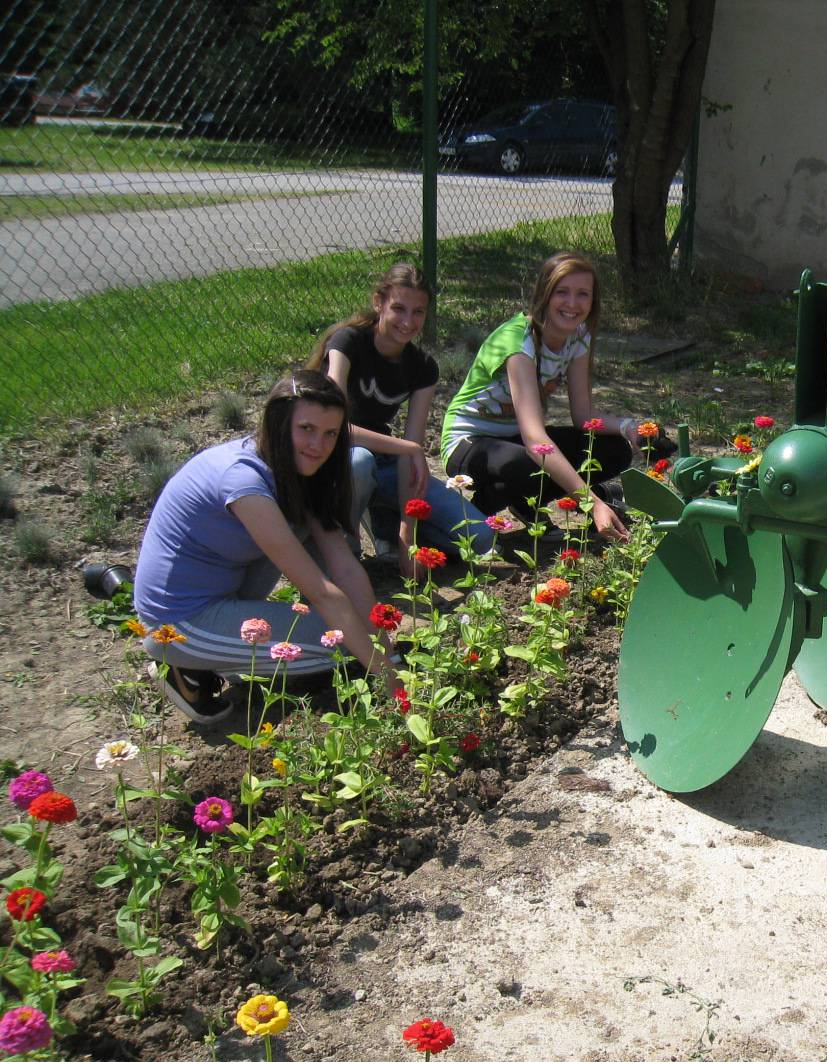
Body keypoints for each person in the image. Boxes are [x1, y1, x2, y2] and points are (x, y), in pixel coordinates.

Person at [133, 370, 400, 726]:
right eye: (306, 429)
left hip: (225, 589)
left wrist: (385, 649)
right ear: (277, 423)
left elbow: (346, 567)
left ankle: (218, 654)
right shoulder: (244, 482)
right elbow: (322, 592)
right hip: (178, 622)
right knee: (340, 642)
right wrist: (394, 685)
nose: (318, 446)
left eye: (330, 434)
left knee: (359, 638)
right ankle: (182, 668)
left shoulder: (297, 470)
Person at [440, 251, 670, 543]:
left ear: (593, 301)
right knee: (527, 465)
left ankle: (519, 500)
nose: (572, 304)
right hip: (469, 441)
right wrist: (591, 504)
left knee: (614, 451)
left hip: (516, 439)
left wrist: (631, 428)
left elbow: (584, 417)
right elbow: (536, 442)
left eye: (582, 294)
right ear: (544, 294)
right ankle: (477, 513)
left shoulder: (579, 336)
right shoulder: (516, 342)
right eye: (562, 292)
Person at [308, 264, 494, 575]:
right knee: (359, 462)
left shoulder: (422, 367)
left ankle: (389, 529)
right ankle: (343, 551)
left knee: (480, 538)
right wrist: (405, 448)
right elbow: (333, 428)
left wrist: (409, 537)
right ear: (378, 302)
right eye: (399, 309)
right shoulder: (347, 343)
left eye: (418, 312)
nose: (408, 322)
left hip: (385, 461)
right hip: (338, 459)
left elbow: (411, 451)